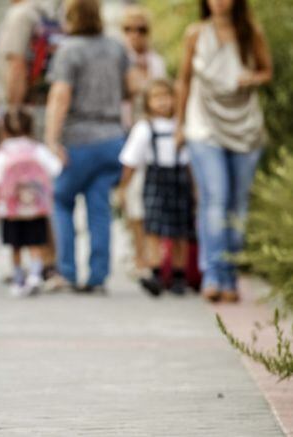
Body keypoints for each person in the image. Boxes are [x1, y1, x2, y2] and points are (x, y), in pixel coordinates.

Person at [176, 0, 272, 303]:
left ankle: (231, 276)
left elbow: (266, 70)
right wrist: (179, 124)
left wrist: (252, 78)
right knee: (215, 198)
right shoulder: (195, 33)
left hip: (243, 126)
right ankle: (214, 275)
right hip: (204, 125)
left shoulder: (249, 32)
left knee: (237, 204)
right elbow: (183, 80)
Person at [44, 0, 133, 293]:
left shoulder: (70, 49)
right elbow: (132, 86)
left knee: (62, 200)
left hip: (78, 137)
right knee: (99, 207)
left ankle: (67, 270)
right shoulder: (116, 47)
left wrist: (51, 138)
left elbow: (60, 95)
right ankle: (98, 275)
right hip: (112, 136)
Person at [119, 80, 194, 297]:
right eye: (156, 97)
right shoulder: (144, 128)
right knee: (152, 229)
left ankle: (179, 274)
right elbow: (130, 161)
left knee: (181, 231)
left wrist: (196, 189)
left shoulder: (181, 126)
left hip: (179, 178)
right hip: (155, 178)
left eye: (166, 96)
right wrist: (123, 186)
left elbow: (190, 163)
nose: (162, 102)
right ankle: (156, 271)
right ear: (148, 103)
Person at [0, 109, 62, 296]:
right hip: (36, 207)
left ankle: (19, 279)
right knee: (36, 242)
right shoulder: (37, 149)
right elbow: (56, 168)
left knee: (16, 245)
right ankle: (35, 275)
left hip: (11, 209)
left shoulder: (3, 152)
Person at [119, 5, 168, 275]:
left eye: (140, 29)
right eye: (129, 29)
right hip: (127, 132)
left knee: (150, 196)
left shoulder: (156, 62)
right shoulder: (119, 59)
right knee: (132, 195)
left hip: (154, 137)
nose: (135, 35)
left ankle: (152, 252)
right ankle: (138, 250)